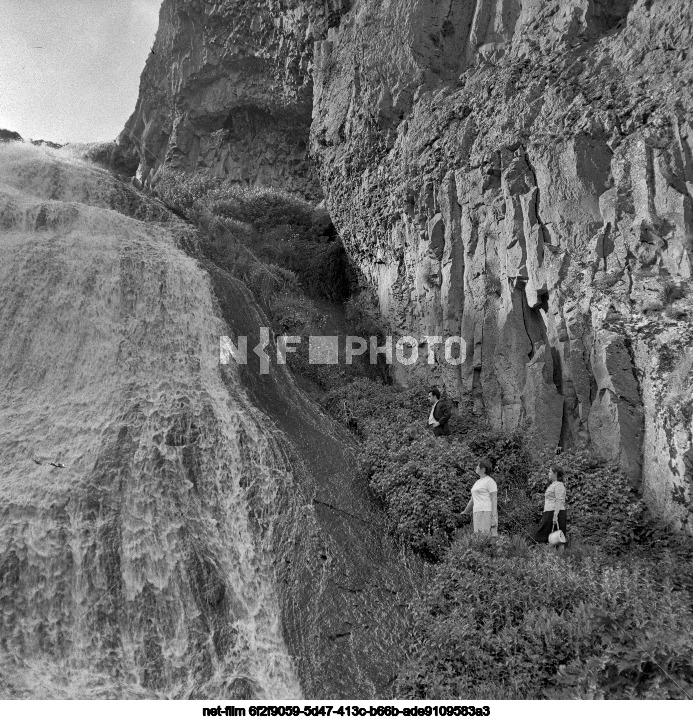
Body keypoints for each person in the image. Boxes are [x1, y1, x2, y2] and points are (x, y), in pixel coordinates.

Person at [461, 458, 498, 536]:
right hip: (477, 511)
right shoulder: (477, 482)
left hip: (486, 512)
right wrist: (465, 511)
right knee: (478, 538)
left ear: (483, 469)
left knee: (485, 537)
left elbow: (494, 499)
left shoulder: (490, 481)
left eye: (478, 466)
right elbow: (472, 499)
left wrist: (494, 517)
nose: (476, 467)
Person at [534, 465, 567, 551]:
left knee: (558, 538)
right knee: (547, 537)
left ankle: (557, 559)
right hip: (549, 512)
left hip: (555, 513)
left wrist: (555, 515)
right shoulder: (553, 484)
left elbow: (559, 500)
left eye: (550, 472)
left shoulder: (559, 485)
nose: (548, 474)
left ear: (555, 474)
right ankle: (550, 557)